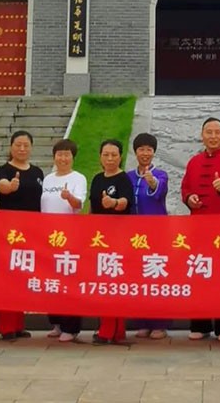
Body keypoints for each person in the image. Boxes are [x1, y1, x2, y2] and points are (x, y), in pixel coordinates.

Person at [181, 117, 220, 343]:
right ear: (202, 135)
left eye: (217, 132)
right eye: (209, 132)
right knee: (199, 275)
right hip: (198, 226)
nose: (213, 136)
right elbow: (185, 187)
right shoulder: (194, 161)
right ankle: (200, 324)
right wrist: (190, 199)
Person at [0, 130, 44, 340]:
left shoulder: (38, 172)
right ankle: (6, 326)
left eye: (26, 145)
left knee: (23, 277)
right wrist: (10, 186)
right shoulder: (4, 170)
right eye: (18, 145)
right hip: (9, 232)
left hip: (31, 231)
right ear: (11, 147)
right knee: (7, 278)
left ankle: (18, 323)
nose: (22, 149)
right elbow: (2, 187)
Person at [41, 138, 87, 342]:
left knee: (69, 282)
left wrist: (69, 197)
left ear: (73, 157)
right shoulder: (48, 179)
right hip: (49, 237)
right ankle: (56, 323)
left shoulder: (79, 178)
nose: (63, 158)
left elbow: (79, 204)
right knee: (52, 281)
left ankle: (71, 327)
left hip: (69, 237)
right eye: (59, 154)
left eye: (67, 154)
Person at [89, 138, 134, 344]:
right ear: (100, 157)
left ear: (120, 157)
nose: (109, 158)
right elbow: (92, 208)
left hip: (119, 239)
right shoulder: (97, 179)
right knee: (103, 286)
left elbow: (125, 202)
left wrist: (113, 202)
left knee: (113, 286)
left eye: (114, 155)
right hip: (99, 239)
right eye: (106, 154)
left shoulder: (124, 179)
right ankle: (114, 330)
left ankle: (109, 331)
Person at [126, 132, 170, 340]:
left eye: (149, 149)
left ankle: (159, 324)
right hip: (134, 237)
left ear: (154, 152)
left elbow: (159, 192)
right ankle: (142, 322)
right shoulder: (128, 176)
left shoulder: (161, 174)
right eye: (141, 149)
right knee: (138, 277)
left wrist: (152, 182)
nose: (145, 153)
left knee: (156, 276)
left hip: (156, 234)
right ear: (135, 152)